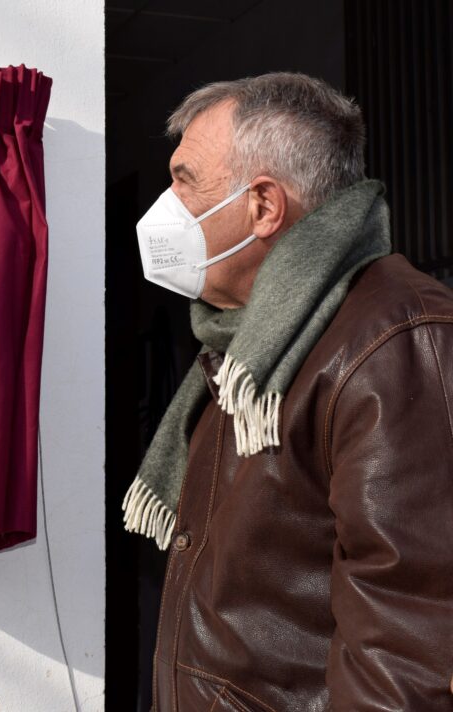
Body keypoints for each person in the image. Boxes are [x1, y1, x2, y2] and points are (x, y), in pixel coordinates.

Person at [121, 72, 453, 711]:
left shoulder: (397, 342)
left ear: (264, 207)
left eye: (186, 181)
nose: (167, 204)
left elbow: (409, 650)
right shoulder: (245, 342)